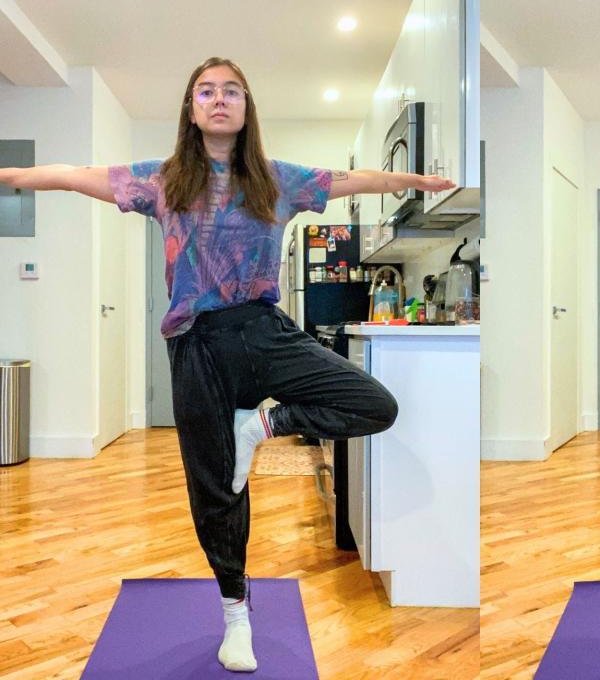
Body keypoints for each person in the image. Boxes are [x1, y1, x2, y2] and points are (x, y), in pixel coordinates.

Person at [0, 56, 455, 672]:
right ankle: (236, 612)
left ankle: (261, 427)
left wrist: (414, 184)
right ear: (191, 108)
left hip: (264, 332)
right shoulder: (162, 179)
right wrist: (14, 173)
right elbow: (80, 174)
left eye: (232, 90)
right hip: (196, 345)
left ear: (247, 107)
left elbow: (348, 180)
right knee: (215, 489)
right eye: (207, 91)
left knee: (376, 403)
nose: (219, 99)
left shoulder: (276, 177)